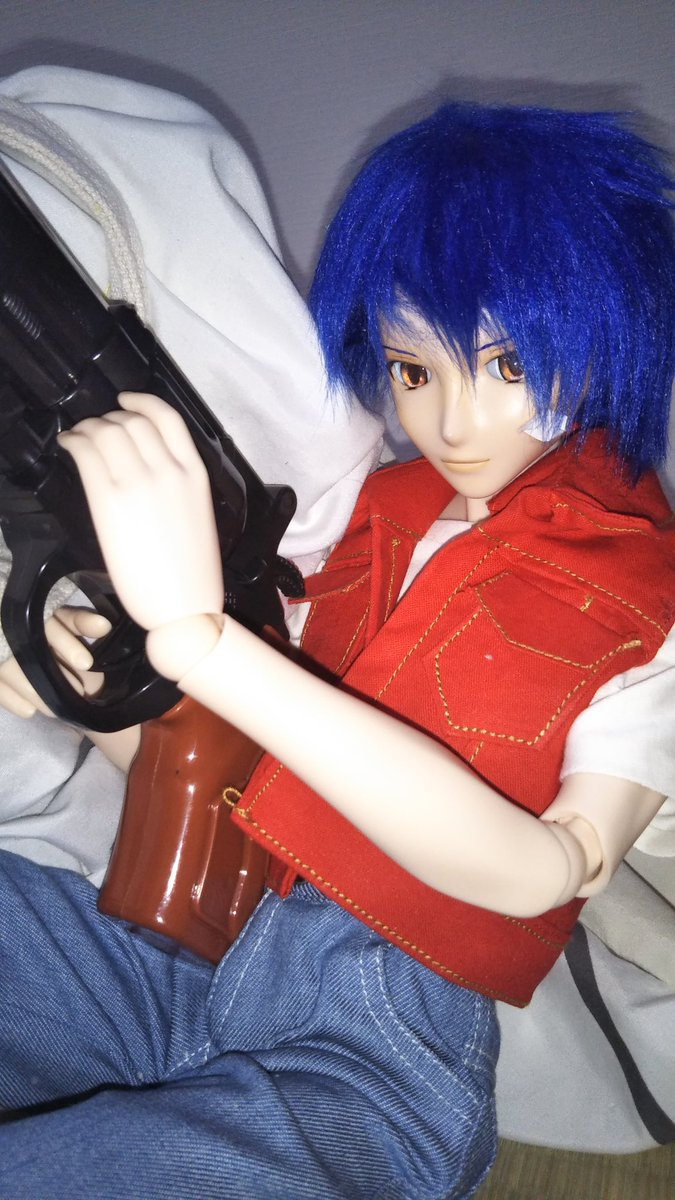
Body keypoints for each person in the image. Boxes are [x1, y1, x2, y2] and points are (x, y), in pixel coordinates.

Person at [0, 101, 673, 1200]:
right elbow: (262, 772)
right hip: (195, 966)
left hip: (381, 1050)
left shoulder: (646, 596)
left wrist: (203, 643)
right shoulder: (381, 518)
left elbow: (547, 872)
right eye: (413, 370)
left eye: (507, 364)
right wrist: (109, 680)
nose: (451, 422)